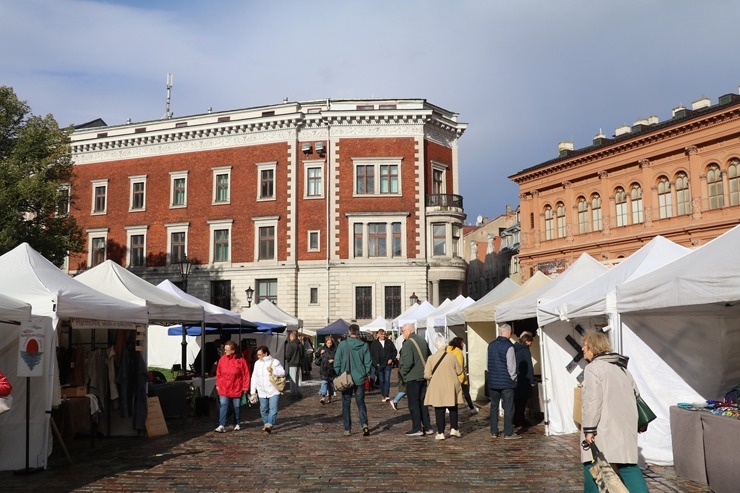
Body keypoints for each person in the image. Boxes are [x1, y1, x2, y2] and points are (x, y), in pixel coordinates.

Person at [581, 331, 648, 493]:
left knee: (593, 465)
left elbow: (593, 401)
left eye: (585, 345)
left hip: (603, 427)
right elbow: (636, 395)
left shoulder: (593, 368)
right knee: (628, 466)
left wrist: (589, 429)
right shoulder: (622, 369)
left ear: (593, 347)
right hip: (625, 426)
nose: (583, 349)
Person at [333, 324, 372, 436]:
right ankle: (364, 425)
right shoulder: (364, 345)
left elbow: (337, 361)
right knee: (360, 403)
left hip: (346, 377)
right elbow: (368, 362)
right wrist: (365, 373)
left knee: (346, 404)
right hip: (359, 377)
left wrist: (339, 373)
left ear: (349, 332)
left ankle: (347, 428)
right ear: (358, 332)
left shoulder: (342, 344)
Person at [425, 336, 464, 440]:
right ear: (446, 345)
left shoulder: (431, 358)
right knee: (453, 408)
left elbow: (427, 374)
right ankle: (454, 429)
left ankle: (441, 432)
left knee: (439, 409)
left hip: (437, 386)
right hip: (451, 385)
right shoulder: (452, 357)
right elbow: (459, 371)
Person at [398, 323, 433, 437]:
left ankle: (417, 427)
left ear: (408, 331)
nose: (402, 333)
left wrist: (403, 373)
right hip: (422, 376)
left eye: (403, 331)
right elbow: (429, 355)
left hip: (412, 377)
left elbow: (408, 362)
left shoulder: (408, 343)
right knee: (423, 403)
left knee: (414, 404)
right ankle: (427, 427)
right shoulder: (422, 340)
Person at [487, 323, 521, 439]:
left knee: (494, 407)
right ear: (508, 332)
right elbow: (511, 365)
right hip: (506, 382)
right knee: (508, 407)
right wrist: (514, 378)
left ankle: (494, 431)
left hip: (493, 381)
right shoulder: (509, 346)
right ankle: (508, 432)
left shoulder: (490, 345)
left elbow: (488, 364)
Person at [213, 340, 250, 433]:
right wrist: (217, 384)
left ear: (233, 350)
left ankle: (237, 422)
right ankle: (221, 424)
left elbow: (246, 374)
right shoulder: (222, 359)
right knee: (223, 405)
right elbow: (219, 373)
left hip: (236, 387)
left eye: (227, 350)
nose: (225, 352)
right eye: (224, 349)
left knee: (236, 406)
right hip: (224, 387)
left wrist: (245, 387)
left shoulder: (241, 360)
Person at [250, 345, 286, 433]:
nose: (259, 357)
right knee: (263, 409)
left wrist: (273, 371)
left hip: (273, 390)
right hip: (261, 390)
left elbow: (282, 373)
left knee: (273, 408)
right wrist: (253, 391)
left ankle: (269, 424)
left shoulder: (275, 362)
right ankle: (266, 423)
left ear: (266, 353)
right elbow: (254, 377)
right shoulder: (257, 363)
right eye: (257, 355)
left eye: (260, 355)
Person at [446, 337, 479, 415]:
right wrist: (461, 377)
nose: (463, 344)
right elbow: (460, 365)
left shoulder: (447, 349)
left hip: (449, 375)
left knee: (450, 392)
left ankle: (448, 407)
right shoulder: (458, 352)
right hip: (458, 376)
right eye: (462, 343)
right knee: (466, 392)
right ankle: (471, 408)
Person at [513, 331, 536, 428]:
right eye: (530, 342)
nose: (531, 344)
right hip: (524, 380)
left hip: (515, 378)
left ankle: (516, 420)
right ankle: (520, 420)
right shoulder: (525, 350)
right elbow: (529, 366)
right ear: (527, 341)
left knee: (516, 402)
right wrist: (531, 380)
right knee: (522, 403)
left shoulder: (514, 348)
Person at [370, 329, 397, 402]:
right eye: (381, 334)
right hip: (379, 364)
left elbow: (394, 351)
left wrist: (391, 359)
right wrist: (376, 363)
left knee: (387, 379)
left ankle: (386, 395)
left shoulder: (389, 342)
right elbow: (371, 354)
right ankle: (383, 395)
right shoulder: (374, 343)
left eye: (384, 334)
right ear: (378, 335)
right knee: (381, 380)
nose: (383, 336)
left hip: (387, 364)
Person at [316, 336, 337, 404]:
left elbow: (339, 358)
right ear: (325, 343)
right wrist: (320, 353)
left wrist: (333, 360)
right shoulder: (322, 348)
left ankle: (330, 397)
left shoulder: (335, 349)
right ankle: (323, 397)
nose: (329, 344)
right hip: (324, 368)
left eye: (330, 343)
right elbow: (316, 355)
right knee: (324, 382)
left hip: (331, 369)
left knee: (330, 384)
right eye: (328, 343)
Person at [285, 331, 304, 399]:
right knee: (298, 379)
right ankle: (299, 392)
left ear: (292, 336)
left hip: (293, 363)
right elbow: (302, 355)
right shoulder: (300, 344)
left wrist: (288, 360)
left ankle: (293, 393)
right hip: (299, 363)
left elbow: (288, 355)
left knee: (293, 379)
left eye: (290, 336)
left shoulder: (291, 344)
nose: (289, 338)